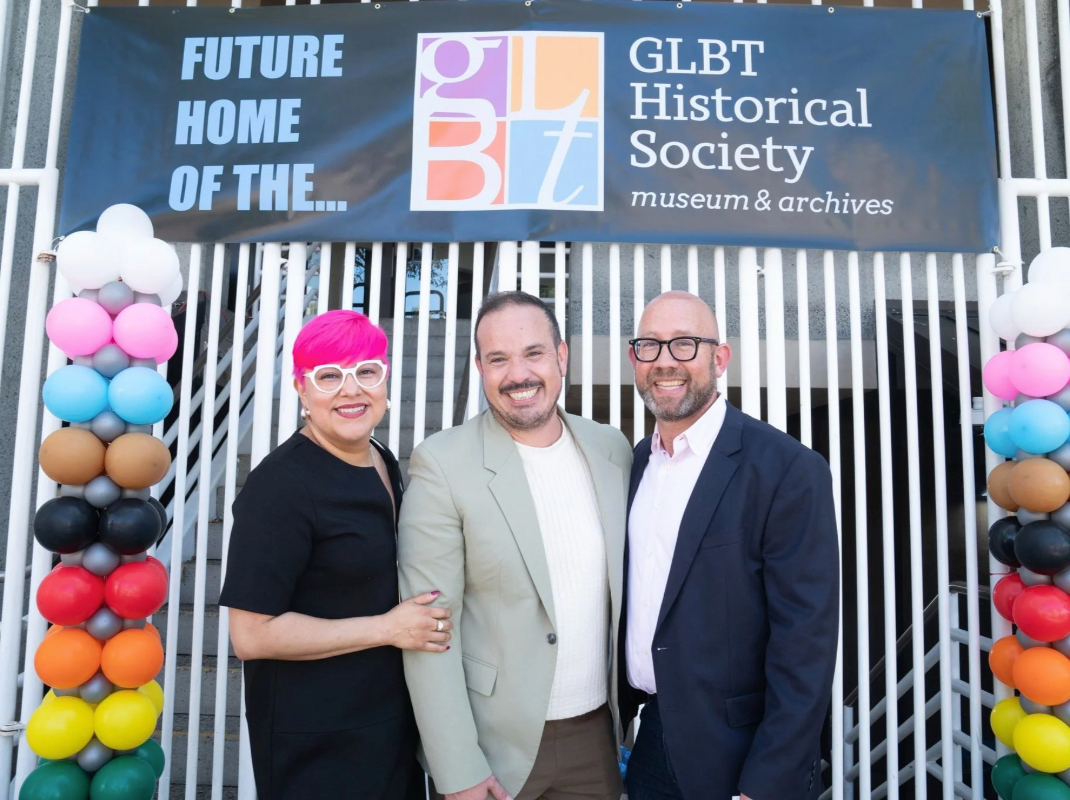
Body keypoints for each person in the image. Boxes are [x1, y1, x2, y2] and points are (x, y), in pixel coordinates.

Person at [398, 291, 632, 800]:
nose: (518, 374)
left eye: (533, 353)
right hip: (491, 749)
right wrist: (458, 767)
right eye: (498, 359)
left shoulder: (610, 448)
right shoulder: (441, 463)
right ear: (479, 367)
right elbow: (430, 630)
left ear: (561, 355)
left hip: (595, 742)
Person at [219, 310, 451, 800]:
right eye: (329, 376)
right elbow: (251, 635)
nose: (351, 390)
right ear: (302, 390)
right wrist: (387, 628)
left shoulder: (382, 459)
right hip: (318, 743)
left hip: (387, 727)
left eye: (366, 371)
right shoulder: (280, 485)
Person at [621, 291, 839, 800]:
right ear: (635, 360)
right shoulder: (633, 466)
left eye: (685, 344)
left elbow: (804, 641)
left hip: (742, 757)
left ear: (719, 358)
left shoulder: (786, 469)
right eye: (649, 346)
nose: (665, 361)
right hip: (652, 741)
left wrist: (767, 782)